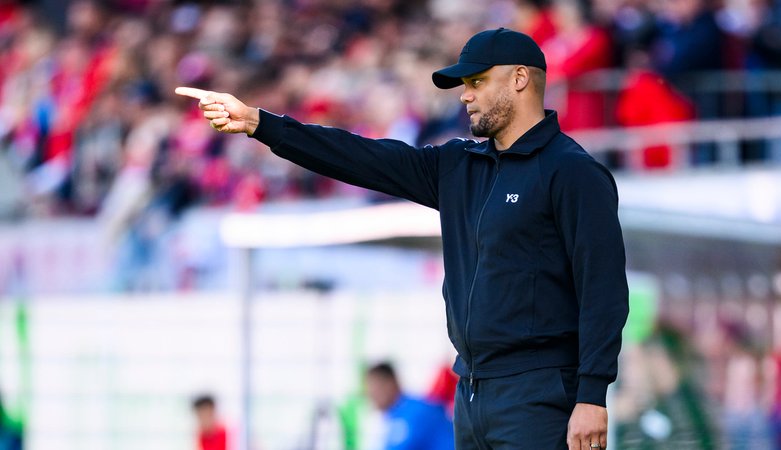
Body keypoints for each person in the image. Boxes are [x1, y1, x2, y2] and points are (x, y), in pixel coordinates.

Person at [177, 27, 629, 450]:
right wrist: (260, 122)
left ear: (519, 79)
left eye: (476, 81)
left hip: (541, 393)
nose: (465, 95)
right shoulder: (459, 167)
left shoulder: (573, 172)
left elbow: (603, 290)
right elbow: (360, 157)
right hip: (471, 393)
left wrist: (592, 395)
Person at [365, 362, 455, 450]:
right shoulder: (399, 414)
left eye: (376, 389)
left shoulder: (415, 413)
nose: (372, 396)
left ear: (391, 383)